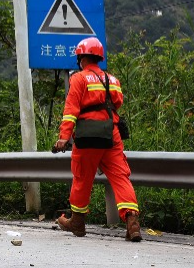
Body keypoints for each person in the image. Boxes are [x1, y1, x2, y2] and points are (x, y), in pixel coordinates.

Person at [52, 36, 142, 242]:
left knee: (82, 177)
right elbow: (117, 104)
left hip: (87, 137)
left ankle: (78, 222)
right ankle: (132, 221)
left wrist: (64, 137)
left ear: (82, 58)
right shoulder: (113, 80)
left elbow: (70, 111)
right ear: (99, 57)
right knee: (120, 176)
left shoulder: (79, 78)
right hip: (111, 135)